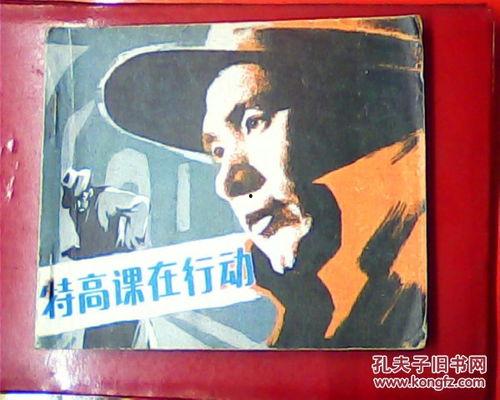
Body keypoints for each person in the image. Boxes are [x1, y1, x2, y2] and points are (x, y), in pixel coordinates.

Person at [102, 19, 427, 348]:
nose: (227, 183)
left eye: (253, 121)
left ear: (345, 115)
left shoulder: (413, 276)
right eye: (218, 151)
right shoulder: (317, 312)